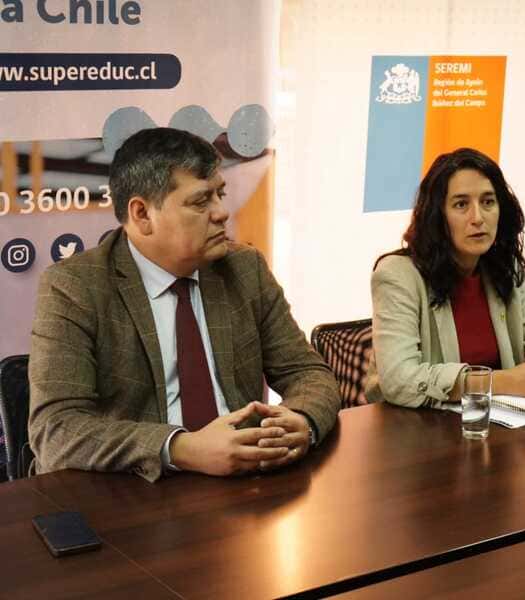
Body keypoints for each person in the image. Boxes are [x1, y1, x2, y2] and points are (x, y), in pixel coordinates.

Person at [28, 127, 340, 482]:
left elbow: (308, 372)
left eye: (220, 194)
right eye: (200, 201)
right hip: (134, 489)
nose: (221, 212)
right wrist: (181, 448)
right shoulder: (76, 286)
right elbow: (55, 429)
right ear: (142, 214)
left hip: (244, 481)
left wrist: (302, 419)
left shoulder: (244, 268)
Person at [365, 148, 525, 408]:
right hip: (413, 425)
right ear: (437, 216)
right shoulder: (397, 275)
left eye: (488, 202)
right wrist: (503, 382)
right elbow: (400, 380)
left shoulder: (504, 269)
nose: (478, 218)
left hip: (494, 420)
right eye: (461, 204)